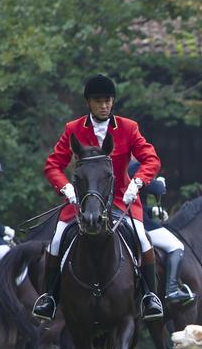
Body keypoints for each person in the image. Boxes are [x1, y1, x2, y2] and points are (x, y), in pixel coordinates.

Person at [32, 74, 165, 322]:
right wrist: (67, 189)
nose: (104, 105)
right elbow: (53, 165)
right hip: (83, 201)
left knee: (144, 241)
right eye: (98, 101)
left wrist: (137, 182)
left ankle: (149, 297)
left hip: (120, 199)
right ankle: (48, 298)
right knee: (56, 240)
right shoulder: (73, 129)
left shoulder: (128, 127)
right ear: (88, 103)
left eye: (108, 100)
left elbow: (151, 159)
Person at [128, 159, 193, 304]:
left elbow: (136, 201)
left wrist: (152, 210)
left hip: (130, 216)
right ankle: (172, 290)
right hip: (138, 222)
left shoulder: (118, 165)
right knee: (177, 246)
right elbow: (158, 190)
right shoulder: (135, 166)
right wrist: (160, 182)